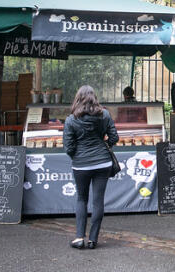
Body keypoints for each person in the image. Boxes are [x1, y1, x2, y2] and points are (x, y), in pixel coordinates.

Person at [63, 85, 119, 250]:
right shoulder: (105, 115)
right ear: (94, 97)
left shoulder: (71, 120)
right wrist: (104, 147)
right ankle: (93, 239)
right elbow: (114, 137)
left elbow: (68, 147)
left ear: (78, 98)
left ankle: (79, 238)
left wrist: (78, 157)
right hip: (103, 163)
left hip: (81, 165)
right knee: (98, 201)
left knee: (81, 199)